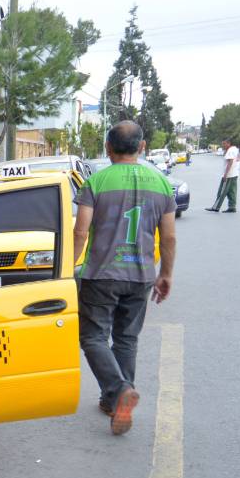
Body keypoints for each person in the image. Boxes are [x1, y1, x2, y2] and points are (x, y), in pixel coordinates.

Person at [73, 120, 176, 436]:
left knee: (93, 337)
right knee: (127, 338)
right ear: (142, 147)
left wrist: (66, 268)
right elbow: (169, 236)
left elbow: (80, 231)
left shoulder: (97, 182)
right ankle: (115, 401)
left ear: (108, 147)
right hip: (141, 275)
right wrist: (166, 274)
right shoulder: (161, 183)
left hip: (101, 274)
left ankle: (118, 392)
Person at [205, 137, 240, 212]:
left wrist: (225, 175)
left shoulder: (230, 151)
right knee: (232, 192)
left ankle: (216, 207)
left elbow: (230, 162)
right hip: (235, 174)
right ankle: (232, 207)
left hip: (229, 175)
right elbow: (238, 158)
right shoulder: (235, 149)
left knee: (221, 191)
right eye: (222, 144)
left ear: (229, 143)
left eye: (224, 144)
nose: (223, 145)